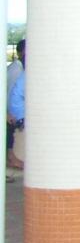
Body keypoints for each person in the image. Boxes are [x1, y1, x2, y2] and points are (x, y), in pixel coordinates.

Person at [7, 39, 24, 171]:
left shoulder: (18, 68)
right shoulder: (17, 69)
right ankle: (11, 157)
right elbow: (11, 94)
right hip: (13, 112)